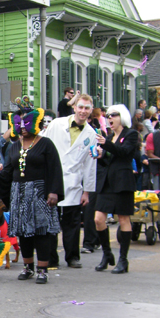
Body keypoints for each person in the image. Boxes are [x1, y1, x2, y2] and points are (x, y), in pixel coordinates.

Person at [0, 107, 64, 284]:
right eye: (18, 123)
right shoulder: (13, 147)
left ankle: (42, 270)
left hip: (40, 193)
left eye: (25, 122)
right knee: (24, 232)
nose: (22, 127)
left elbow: (55, 168)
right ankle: (28, 267)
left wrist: (54, 192)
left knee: (41, 232)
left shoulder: (46, 144)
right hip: (19, 194)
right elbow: (7, 171)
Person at [43, 94, 97, 269]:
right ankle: (51, 257)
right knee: (51, 221)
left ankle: (73, 256)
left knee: (72, 223)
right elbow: (42, 143)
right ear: (74, 107)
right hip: (52, 179)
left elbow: (90, 165)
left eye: (86, 108)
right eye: (80, 107)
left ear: (91, 110)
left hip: (74, 183)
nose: (83, 111)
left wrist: (87, 191)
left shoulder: (92, 134)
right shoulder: (57, 124)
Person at [92, 105, 139, 274]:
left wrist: (105, 145)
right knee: (98, 219)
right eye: (108, 116)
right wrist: (99, 156)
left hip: (123, 182)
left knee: (123, 219)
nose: (110, 118)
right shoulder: (110, 137)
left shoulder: (131, 134)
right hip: (107, 182)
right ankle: (107, 254)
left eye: (114, 115)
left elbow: (125, 153)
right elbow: (108, 161)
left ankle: (123, 259)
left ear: (122, 116)